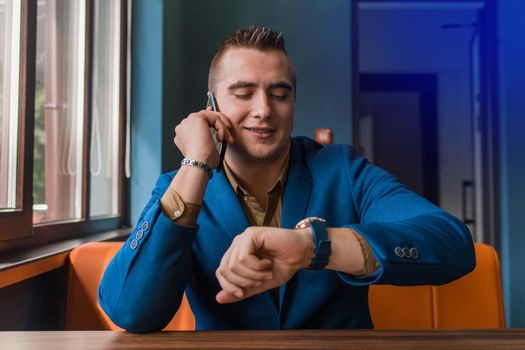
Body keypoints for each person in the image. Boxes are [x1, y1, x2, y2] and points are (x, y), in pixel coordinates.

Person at [99, 27, 475, 332]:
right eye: (243, 93)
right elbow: (130, 312)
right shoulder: (182, 185)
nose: (264, 110)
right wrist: (196, 163)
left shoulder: (342, 169)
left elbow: (453, 244)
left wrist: (315, 247)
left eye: (279, 94)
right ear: (212, 105)